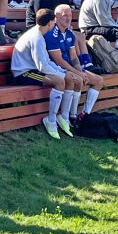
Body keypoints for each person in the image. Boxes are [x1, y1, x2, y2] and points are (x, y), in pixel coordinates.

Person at [10, 9, 78, 140]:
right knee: (59, 81)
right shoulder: (36, 38)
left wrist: (64, 71)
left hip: (33, 70)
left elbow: (46, 61)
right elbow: (42, 66)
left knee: (67, 77)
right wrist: (61, 74)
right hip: (23, 73)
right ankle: (51, 120)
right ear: (50, 23)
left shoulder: (39, 35)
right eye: (54, 21)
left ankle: (63, 117)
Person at [46, 4, 104, 122]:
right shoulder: (51, 33)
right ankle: (70, 117)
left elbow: (73, 57)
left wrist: (81, 71)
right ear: (56, 16)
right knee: (77, 79)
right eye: (65, 15)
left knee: (99, 80)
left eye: (70, 15)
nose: (68, 18)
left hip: (70, 68)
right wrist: (78, 73)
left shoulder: (69, 33)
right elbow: (59, 61)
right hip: (57, 69)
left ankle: (84, 115)